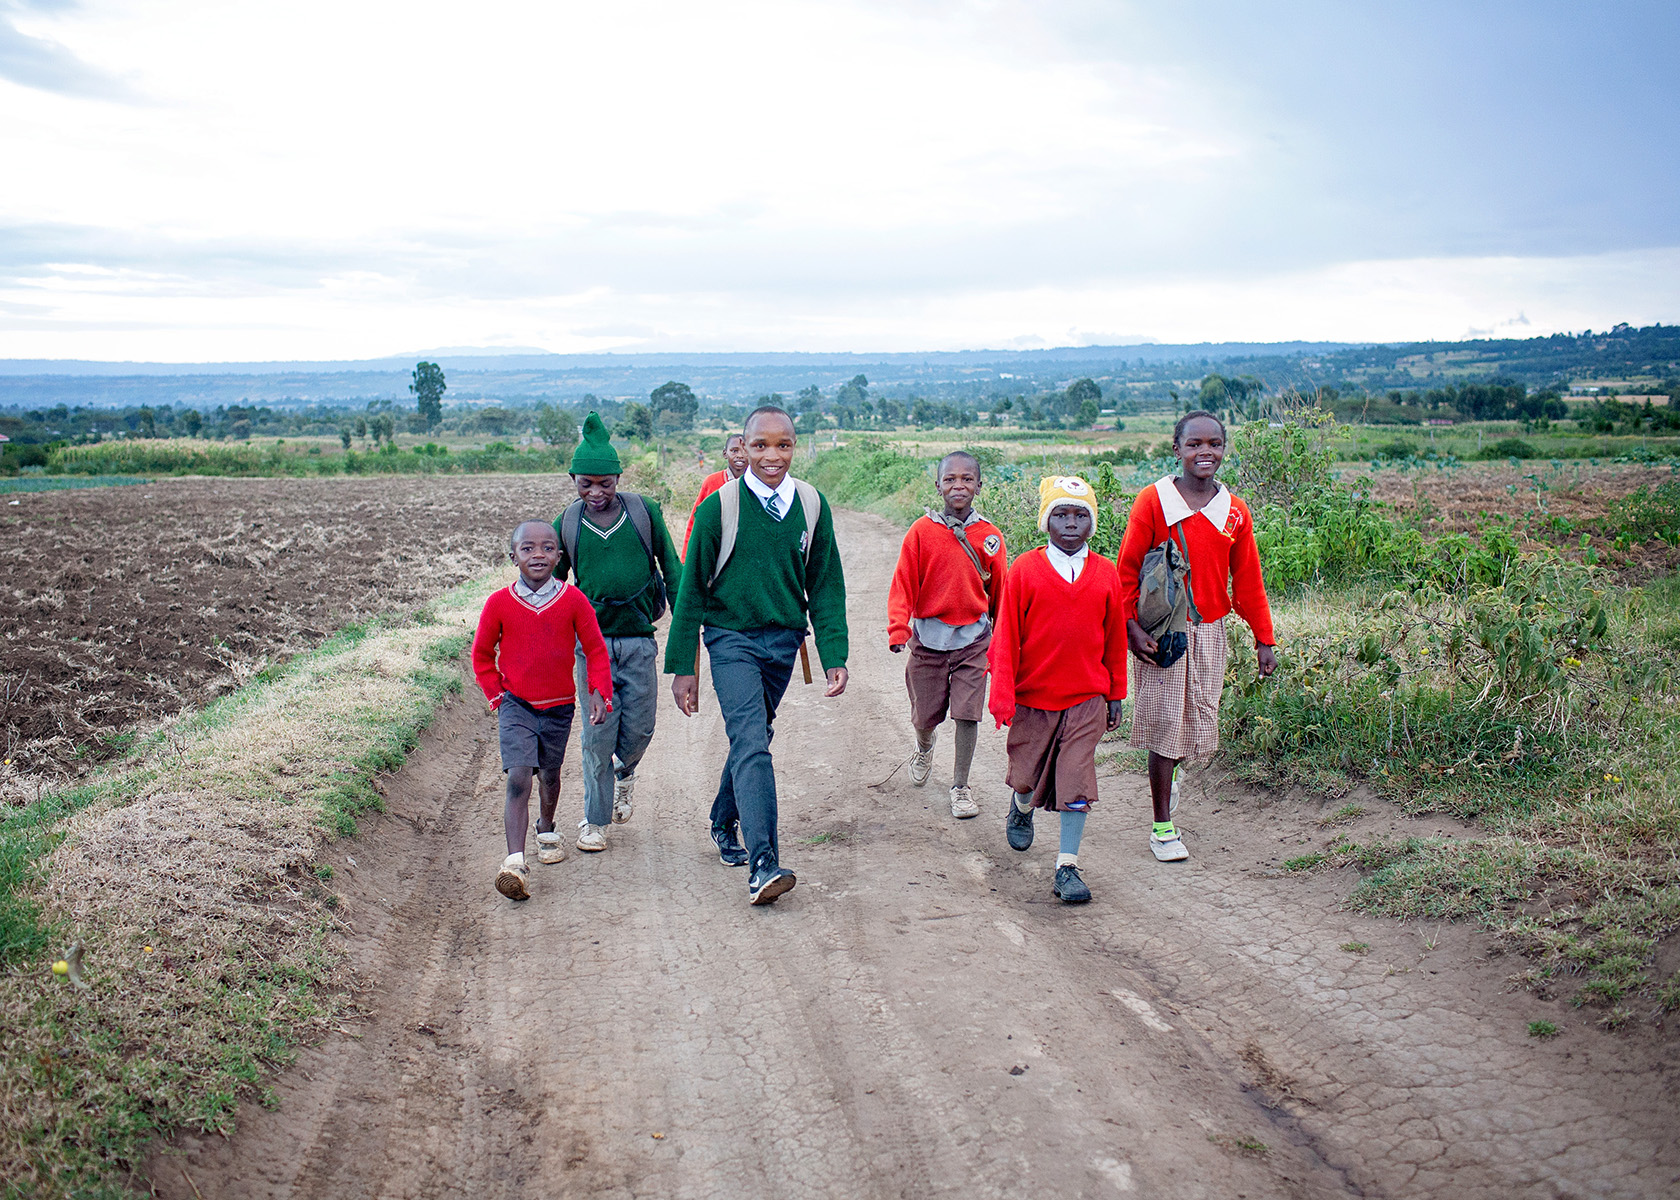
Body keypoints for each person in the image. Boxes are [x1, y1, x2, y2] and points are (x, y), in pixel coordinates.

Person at [666, 405, 849, 906]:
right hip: (730, 640)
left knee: (756, 735)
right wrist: (684, 665)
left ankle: (723, 818)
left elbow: (826, 583)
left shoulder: (811, 504)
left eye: (783, 445)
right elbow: (690, 593)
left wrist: (834, 652)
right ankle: (763, 861)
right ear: (741, 449)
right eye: (760, 445)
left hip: (783, 642)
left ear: (795, 447)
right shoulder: (718, 508)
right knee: (750, 739)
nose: (772, 456)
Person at [1116, 410, 1277, 863]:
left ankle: (1173, 779)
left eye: (1214, 444)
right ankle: (1163, 826)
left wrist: (1264, 639)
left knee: (1199, 722)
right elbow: (1126, 570)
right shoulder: (1154, 502)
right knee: (1167, 724)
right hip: (1163, 631)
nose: (1205, 452)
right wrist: (1129, 625)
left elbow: (1248, 582)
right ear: (1177, 449)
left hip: (1209, 631)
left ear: (1224, 449)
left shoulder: (1234, 513)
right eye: (1194, 445)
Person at [988, 476, 1128, 905]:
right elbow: (1006, 636)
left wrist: (1116, 693)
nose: (1071, 523)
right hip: (1034, 697)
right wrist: (1003, 694)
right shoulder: (1026, 570)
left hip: (1087, 697)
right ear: (1046, 521)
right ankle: (1022, 805)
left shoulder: (1106, 574)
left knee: (1076, 779)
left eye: (1080, 514)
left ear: (1092, 523)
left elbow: (1115, 638)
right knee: (1027, 775)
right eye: (1061, 514)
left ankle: (1066, 866)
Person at [554, 412, 682, 853]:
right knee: (597, 733)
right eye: (586, 483)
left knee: (640, 728)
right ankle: (594, 821)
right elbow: (550, 585)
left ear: (618, 478)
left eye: (605, 483)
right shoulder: (567, 524)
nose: (596, 492)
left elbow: (671, 564)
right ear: (573, 479)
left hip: (640, 640)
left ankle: (625, 773)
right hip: (591, 649)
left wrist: (687, 619)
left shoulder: (643, 512)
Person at [472, 520, 612, 901]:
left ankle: (547, 826)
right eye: (528, 548)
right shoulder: (499, 603)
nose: (538, 555)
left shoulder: (572, 600)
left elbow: (595, 649)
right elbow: (482, 655)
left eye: (548, 548)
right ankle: (514, 862)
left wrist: (600, 691)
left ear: (559, 556)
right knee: (519, 776)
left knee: (549, 775)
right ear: (512, 556)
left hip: (559, 707)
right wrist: (497, 695)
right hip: (515, 704)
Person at [886, 451, 1008, 819]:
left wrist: (1003, 641)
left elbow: (1001, 592)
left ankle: (960, 787)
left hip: (973, 640)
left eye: (967, 479)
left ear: (979, 486)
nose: (959, 486)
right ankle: (924, 745)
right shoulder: (921, 532)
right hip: (928, 640)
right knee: (925, 715)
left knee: (967, 714)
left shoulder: (990, 537)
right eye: (951, 479)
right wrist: (898, 627)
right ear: (938, 485)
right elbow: (903, 583)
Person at [681, 433, 748, 559]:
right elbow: (695, 520)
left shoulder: (758, 485)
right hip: (715, 552)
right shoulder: (712, 482)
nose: (740, 455)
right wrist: (686, 557)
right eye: (734, 451)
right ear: (725, 454)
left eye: (745, 451)